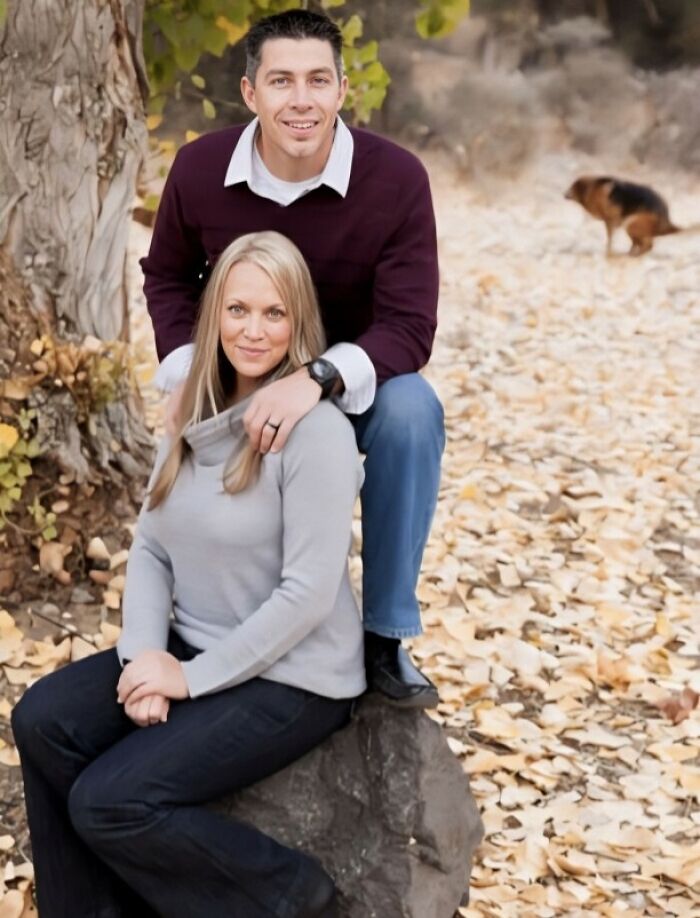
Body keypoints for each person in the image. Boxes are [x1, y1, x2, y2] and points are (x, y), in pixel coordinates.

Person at [11, 231, 365, 918]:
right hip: (194, 638)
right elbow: (151, 547)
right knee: (42, 719)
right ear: (213, 315)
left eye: (274, 313)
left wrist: (186, 678)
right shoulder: (192, 412)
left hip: (296, 675)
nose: (253, 330)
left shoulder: (317, 433)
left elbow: (309, 595)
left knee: (111, 801)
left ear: (299, 323)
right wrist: (145, 654)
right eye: (237, 309)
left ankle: (291, 896)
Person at [142, 8, 445, 708]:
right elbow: (167, 276)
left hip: (344, 381)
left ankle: (383, 635)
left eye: (317, 80)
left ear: (343, 90)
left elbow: (409, 324)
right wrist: (190, 371)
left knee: (412, 410)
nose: (300, 100)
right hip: (238, 370)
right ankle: (193, 618)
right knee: (181, 414)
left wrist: (317, 379)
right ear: (250, 93)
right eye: (281, 81)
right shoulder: (198, 168)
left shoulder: (396, 180)